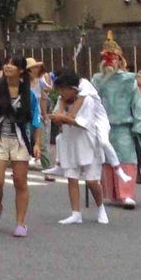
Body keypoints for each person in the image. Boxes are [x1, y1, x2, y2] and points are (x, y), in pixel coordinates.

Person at [0, 56, 42, 238]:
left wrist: (37, 144)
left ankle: (21, 222)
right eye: (7, 63)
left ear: (21, 70)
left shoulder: (28, 93)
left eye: (13, 64)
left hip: (21, 140)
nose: (8, 66)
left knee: (20, 182)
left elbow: (36, 120)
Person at [90, 35, 141, 209]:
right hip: (103, 126)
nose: (110, 62)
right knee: (105, 160)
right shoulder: (96, 80)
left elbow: (137, 105)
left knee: (126, 157)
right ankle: (110, 193)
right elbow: (90, 102)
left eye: (114, 58)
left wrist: (139, 125)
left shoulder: (129, 80)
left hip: (123, 126)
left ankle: (126, 194)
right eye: (107, 58)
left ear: (120, 60)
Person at [49, 72, 109, 225]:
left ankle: (101, 208)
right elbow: (59, 116)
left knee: (91, 181)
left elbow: (82, 123)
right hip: (70, 142)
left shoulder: (87, 100)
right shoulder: (62, 100)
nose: (61, 94)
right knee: (72, 177)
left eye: (63, 90)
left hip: (89, 143)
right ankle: (76, 213)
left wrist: (63, 118)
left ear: (73, 88)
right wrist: (57, 119)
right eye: (59, 90)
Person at [27, 59, 55, 182]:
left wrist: (44, 115)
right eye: (33, 68)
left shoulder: (40, 82)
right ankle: (21, 168)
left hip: (37, 115)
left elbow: (43, 98)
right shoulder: (21, 83)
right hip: (24, 116)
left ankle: (47, 170)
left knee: (42, 144)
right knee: (24, 142)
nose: (35, 70)